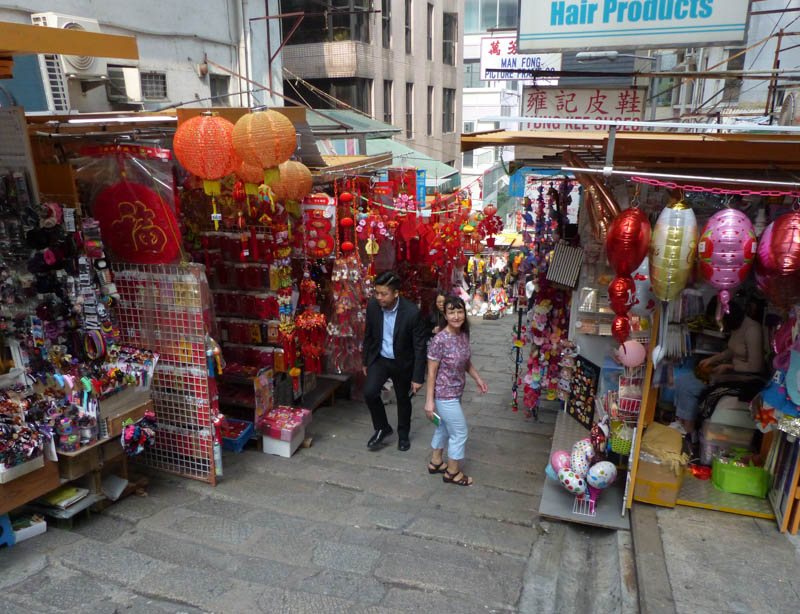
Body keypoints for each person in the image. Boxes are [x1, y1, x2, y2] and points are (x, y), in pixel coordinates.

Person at [674, 300, 764, 436]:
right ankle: (683, 423)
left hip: (745, 378)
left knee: (687, 386)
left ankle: (688, 430)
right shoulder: (737, 327)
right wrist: (713, 359)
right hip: (731, 372)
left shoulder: (752, 330)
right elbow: (732, 350)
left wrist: (728, 366)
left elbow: (756, 367)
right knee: (682, 380)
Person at [425, 295, 487, 486]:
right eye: (452, 312)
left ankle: (436, 462)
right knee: (459, 432)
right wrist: (429, 401)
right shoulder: (440, 339)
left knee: (444, 426)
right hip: (444, 395)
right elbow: (432, 372)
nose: (456, 316)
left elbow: (465, 361)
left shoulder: (463, 334)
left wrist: (478, 378)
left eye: (460, 311)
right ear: (445, 314)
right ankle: (453, 472)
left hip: (457, 391)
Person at [362, 271, 427, 451]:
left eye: (384, 294)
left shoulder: (412, 312)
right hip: (380, 359)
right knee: (369, 392)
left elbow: (420, 347)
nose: (379, 297)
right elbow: (368, 334)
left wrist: (418, 377)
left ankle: (403, 435)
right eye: (377, 293)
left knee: (402, 399)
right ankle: (383, 427)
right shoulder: (373, 306)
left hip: (402, 362)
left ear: (396, 293)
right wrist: (365, 361)